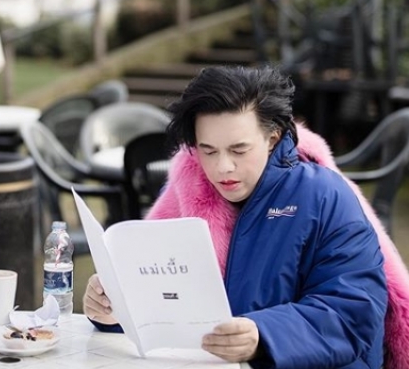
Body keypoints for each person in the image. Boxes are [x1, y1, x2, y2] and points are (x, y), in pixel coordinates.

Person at [83, 65, 409, 368]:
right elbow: (155, 291)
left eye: (239, 150)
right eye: (208, 150)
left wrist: (263, 336)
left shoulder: (325, 196)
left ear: (272, 139)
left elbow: (353, 313)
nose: (223, 167)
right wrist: (113, 307)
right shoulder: (188, 187)